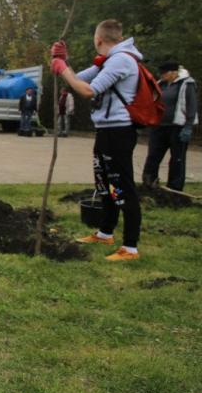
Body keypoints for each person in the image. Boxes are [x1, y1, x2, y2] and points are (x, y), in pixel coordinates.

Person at [49, 19, 143, 261]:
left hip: (119, 131)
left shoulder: (122, 59)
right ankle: (105, 232)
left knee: (122, 186)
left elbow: (88, 90)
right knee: (105, 184)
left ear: (98, 39)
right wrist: (62, 63)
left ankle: (130, 247)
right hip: (105, 130)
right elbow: (76, 80)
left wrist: (62, 67)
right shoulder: (108, 61)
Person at [142, 61, 197, 191]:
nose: (162, 76)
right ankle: (149, 183)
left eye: (165, 73)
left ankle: (175, 187)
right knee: (153, 155)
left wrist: (188, 126)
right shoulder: (161, 84)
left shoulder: (186, 84)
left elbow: (191, 105)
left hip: (177, 126)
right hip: (159, 126)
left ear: (174, 72)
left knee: (177, 158)